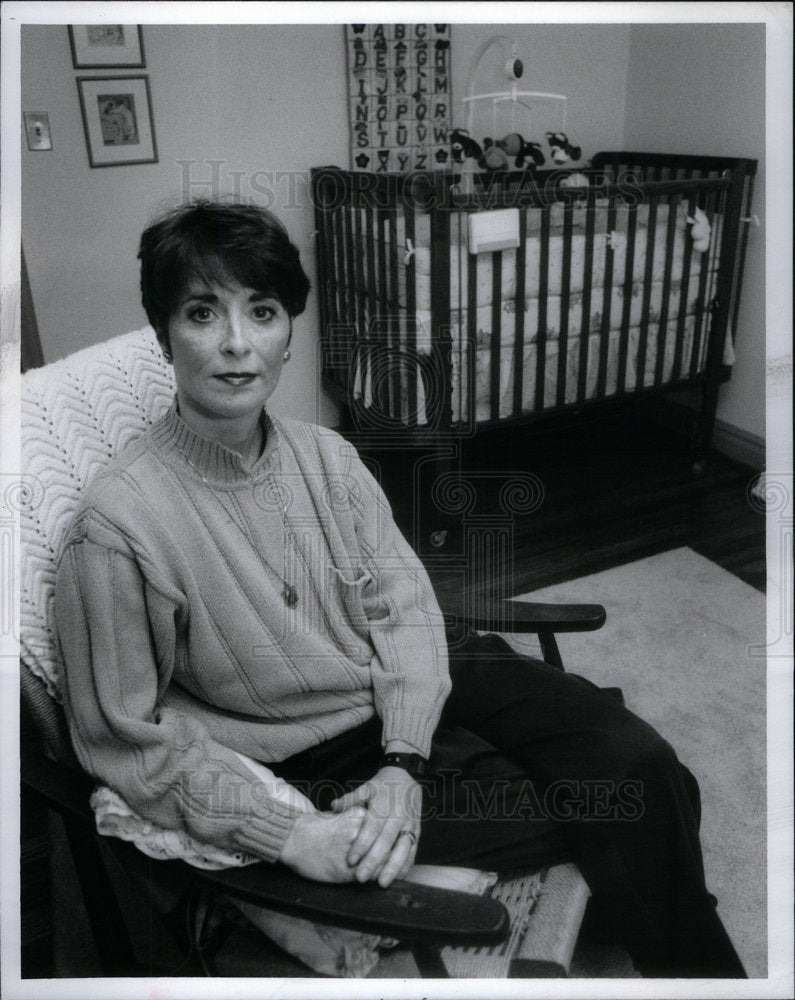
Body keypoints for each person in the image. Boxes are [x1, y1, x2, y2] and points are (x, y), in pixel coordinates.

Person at [55, 200, 746, 978]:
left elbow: (407, 608)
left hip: (420, 676)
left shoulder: (328, 457)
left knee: (639, 760)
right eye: (202, 313)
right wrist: (283, 835)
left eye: (263, 311)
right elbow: (122, 739)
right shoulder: (115, 526)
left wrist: (404, 762)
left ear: (290, 332)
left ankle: (660, 926)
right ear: (163, 334)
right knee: (640, 793)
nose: (237, 344)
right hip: (313, 746)